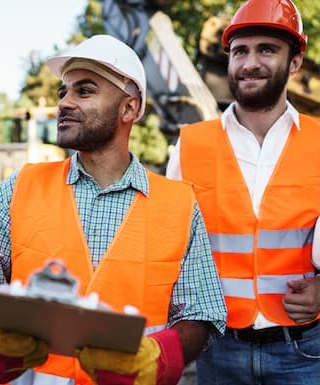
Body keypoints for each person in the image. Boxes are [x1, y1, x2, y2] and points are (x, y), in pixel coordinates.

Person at [0, 35, 227, 385]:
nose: (65, 103)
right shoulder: (18, 188)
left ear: (129, 109)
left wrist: (160, 356)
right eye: (64, 92)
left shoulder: (179, 205)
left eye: (84, 91)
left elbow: (202, 312)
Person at [166, 0, 320, 384]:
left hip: (305, 351)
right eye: (240, 51)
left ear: (295, 62)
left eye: (266, 49)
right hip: (219, 351)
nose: (250, 62)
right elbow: (170, 247)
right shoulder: (190, 146)